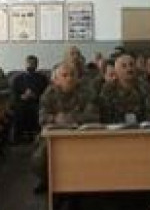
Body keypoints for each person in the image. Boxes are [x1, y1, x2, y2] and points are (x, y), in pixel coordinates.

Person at [31, 62, 100, 194]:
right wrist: (55, 119)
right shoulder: (49, 93)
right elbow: (42, 118)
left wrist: (72, 118)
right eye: (65, 75)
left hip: (82, 135)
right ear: (56, 80)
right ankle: (47, 181)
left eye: (72, 75)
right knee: (39, 158)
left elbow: (94, 115)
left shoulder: (86, 92)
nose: (69, 78)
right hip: (55, 136)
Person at [98, 53, 150, 123]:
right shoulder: (108, 89)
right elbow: (106, 116)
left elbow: (149, 114)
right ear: (116, 71)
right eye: (124, 66)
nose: (129, 69)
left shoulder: (145, 87)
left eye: (131, 65)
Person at [11, 55, 49, 142]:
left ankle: (37, 135)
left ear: (37, 65)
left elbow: (46, 93)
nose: (31, 65)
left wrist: (35, 95)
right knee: (18, 109)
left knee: (38, 109)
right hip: (21, 102)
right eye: (29, 63)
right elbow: (13, 94)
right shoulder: (17, 79)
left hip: (37, 101)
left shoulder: (42, 78)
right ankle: (19, 137)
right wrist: (22, 96)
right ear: (25, 64)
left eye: (33, 63)